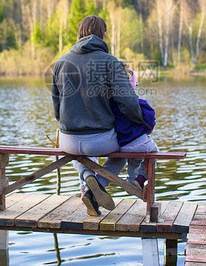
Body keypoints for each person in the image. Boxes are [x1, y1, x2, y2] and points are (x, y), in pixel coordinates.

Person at [51, 15, 144, 216]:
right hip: (100, 140)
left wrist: (69, 124)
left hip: (68, 140)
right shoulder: (109, 62)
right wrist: (141, 121)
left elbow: (57, 109)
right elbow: (128, 102)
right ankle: (99, 184)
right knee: (124, 151)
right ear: (102, 35)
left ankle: (86, 177)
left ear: (79, 34)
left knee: (76, 148)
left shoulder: (60, 63)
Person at [109, 60, 158, 192]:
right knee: (154, 152)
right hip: (141, 143)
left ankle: (132, 182)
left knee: (134, 160)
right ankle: (141, 178)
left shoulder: (110, 105)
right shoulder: (138, 102)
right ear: (132, 85)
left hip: (123, 146)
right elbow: (150, 120)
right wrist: (148, 128)